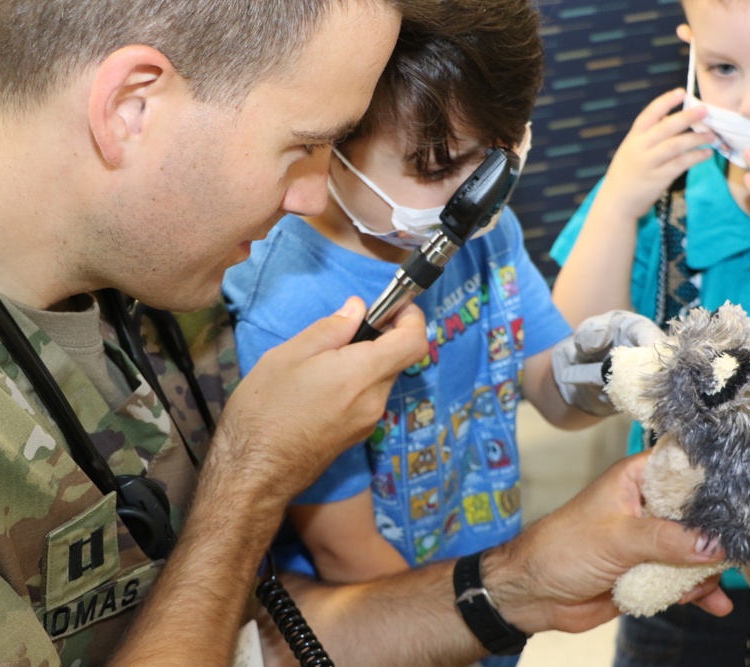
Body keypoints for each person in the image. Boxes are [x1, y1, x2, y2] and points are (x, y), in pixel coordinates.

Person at [0, 0, 730, 665]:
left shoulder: (162, 258)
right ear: (132, 107)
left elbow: (263, 632)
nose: (312, 199)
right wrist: (251, 477)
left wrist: (524, 578)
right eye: (309, 145)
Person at [224, 6, 608, 666]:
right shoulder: (290, 307)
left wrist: (601, 371)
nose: (480, 196)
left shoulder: (484, 233)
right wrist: (473, 625)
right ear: (329, 142)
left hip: (482, 597)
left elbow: (548, 388)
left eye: (498, 155)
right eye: (438, 166)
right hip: (385, 624)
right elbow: (345, 551)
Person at [550, 0, 750, 664]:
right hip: (681, 577)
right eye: (723, 67)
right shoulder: (665, 191)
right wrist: (616, 206)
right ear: (690, 47)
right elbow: (571, 371)